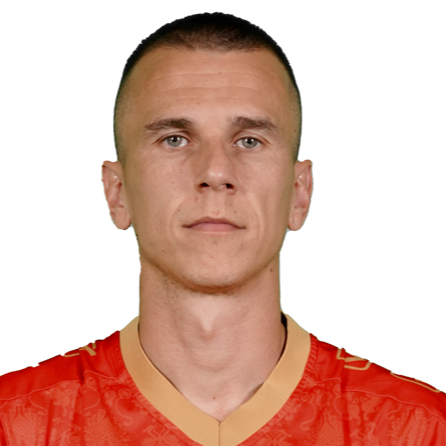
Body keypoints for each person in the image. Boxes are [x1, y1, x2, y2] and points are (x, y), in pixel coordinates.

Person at [0, 12, 444, 446]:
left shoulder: (420, 430)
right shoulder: (13, 424)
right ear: (117, 193)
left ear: (300, 193)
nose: (215, 172)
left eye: (249, 140)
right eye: (175, 139)